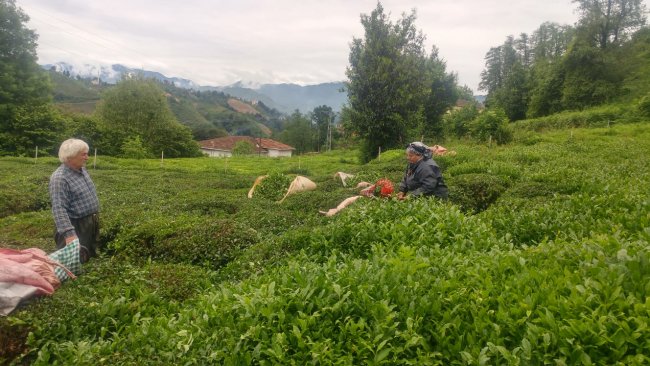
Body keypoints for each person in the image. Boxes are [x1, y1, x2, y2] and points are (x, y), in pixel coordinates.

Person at [49, 139, 100, 263]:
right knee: (70, 263)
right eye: (83, 154)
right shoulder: (60, 178)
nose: (87, 158)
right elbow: (59, 209)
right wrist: (69, 235)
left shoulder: (81, 171)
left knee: (87, 258)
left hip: (89, 222)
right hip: (75, 225)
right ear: (70, 156)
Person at [319, 178, 394, 216]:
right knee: (351, 199)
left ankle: (335, 211)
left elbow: (361, 193)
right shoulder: (386, 194)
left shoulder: (377, 203)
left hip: (366, 206)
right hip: (373, 198)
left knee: (351, 200)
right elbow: (363, 192)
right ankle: (336, 210)